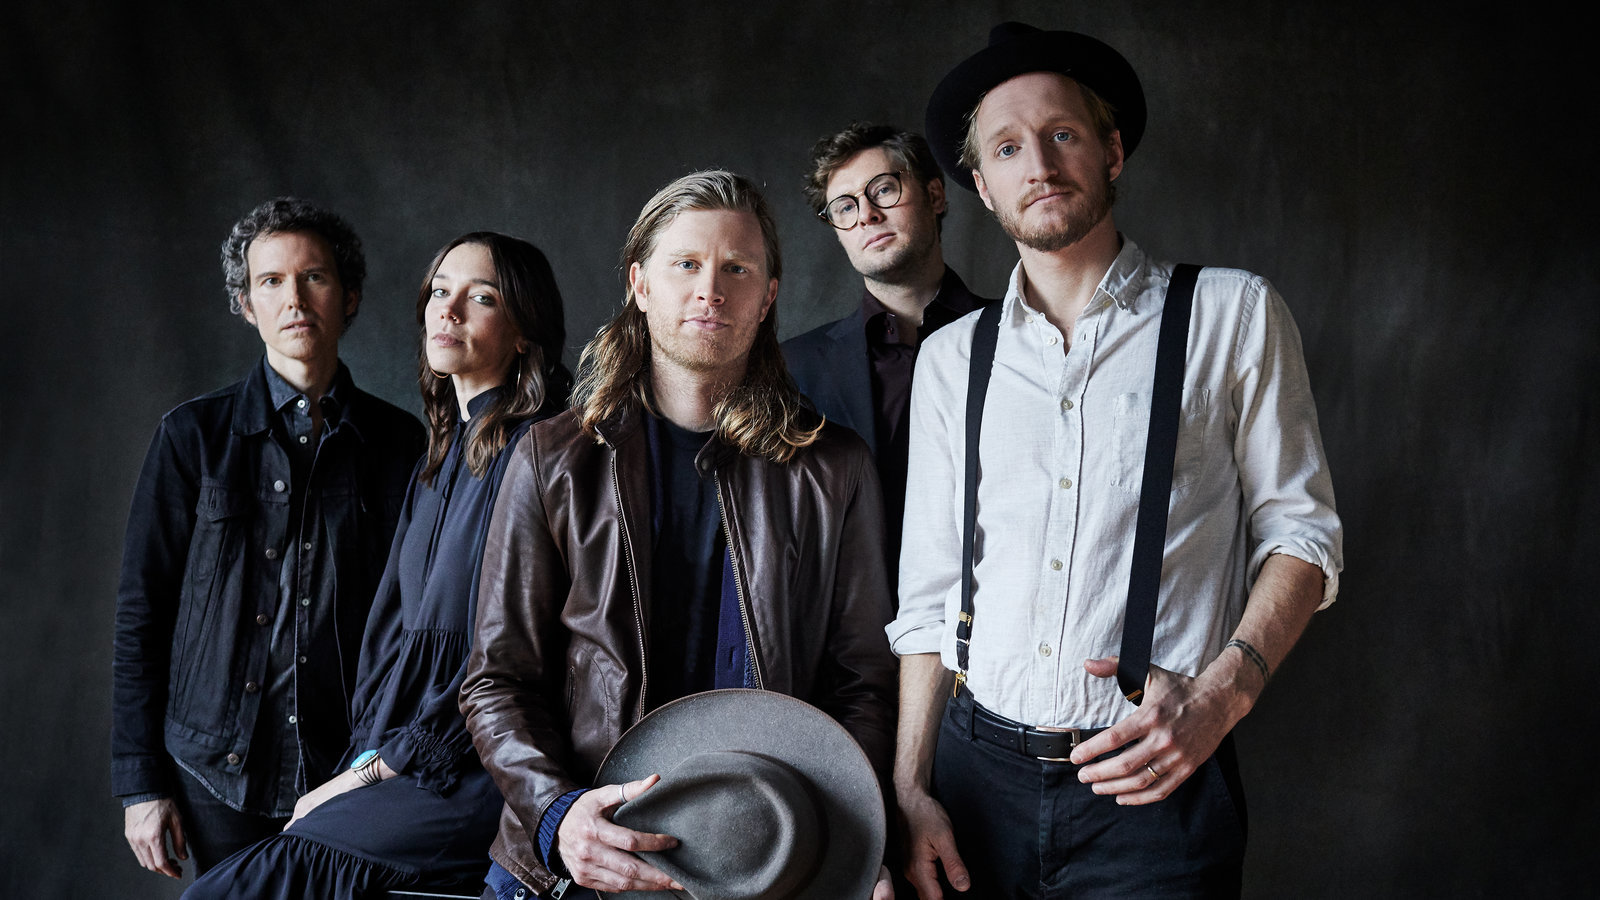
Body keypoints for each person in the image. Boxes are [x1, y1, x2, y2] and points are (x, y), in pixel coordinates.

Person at [889, 23, 1345, 898]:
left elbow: (1302, 535)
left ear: (1111, 150)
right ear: (982, 186)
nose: (1041, 165)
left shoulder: (1231, 313)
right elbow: (928, 596)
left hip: (1156, 790)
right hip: (972, 782)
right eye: (1009, 147)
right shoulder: (953, 357)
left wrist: (1222, 699)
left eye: (1062, 135)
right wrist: (911, 790)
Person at [460, 170, 898, 900]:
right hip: (581, 853)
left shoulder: (836, 468)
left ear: (769, 296)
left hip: (766, 851)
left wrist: (858, 834)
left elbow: (863, 683)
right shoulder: (552, 458)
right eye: (686, 264)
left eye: (737, 268)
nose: (711, 290)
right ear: (640, 283)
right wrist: (559, 817)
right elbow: (496, 678)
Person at [181, 233, 572, 897]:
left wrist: (358, 778)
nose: (447, 311)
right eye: (439, 292)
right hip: (402, 759)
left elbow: (494, 661)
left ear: (524, 332)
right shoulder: (441, 457)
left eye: (481, 297)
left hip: (473, 772)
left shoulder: (535, 453)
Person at [112, 198, 425, 878]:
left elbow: (412, 619)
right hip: (215, 769)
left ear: (349, 296)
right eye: (271, 281)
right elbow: (143, 614)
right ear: (247, 305)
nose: (294, 298)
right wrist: (142, 785)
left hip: (349, 767)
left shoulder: (399, 444)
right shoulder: (191, 438)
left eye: (313, 277)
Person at [784, 123, 995, 590]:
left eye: (883, 189)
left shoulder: (1019, 335)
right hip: (850, 645)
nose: (866, 215)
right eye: (845, 206)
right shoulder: (792, 369)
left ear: (936, 195)